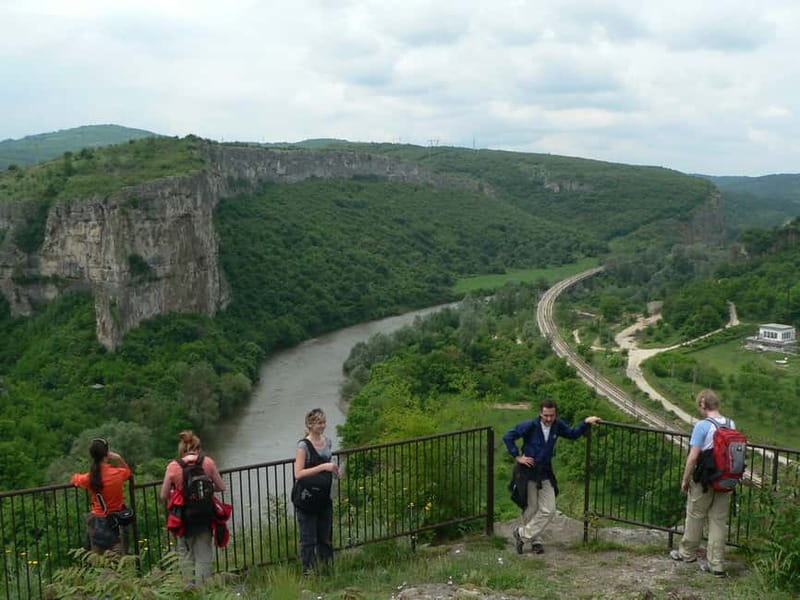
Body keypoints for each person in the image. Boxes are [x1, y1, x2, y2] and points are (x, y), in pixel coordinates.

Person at [503, 399, 601, 554]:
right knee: (532, 507)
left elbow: (572, 434)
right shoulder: (530, 426)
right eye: (546, 415)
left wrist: (585, 422)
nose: (549, 419)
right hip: (528, 472)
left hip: (545, 472)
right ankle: (535, 541)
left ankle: (522, 534)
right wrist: (517, 456)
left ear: (556, 414)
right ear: (540, 413)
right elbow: (508, 437)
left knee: (549, 509)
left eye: (552, 415)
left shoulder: (557, 425)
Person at [669, 389, 734, 577]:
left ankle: (687, 553)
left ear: (703, 405)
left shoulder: (702, 426)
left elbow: (693, 457)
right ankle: (716, 565)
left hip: (704, 480)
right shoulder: (731, 423)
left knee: (695, 515)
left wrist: (685, 479)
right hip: (725, 480)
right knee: (718, 522)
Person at [160, 430, 225, 586]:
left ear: (181, 449)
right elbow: (221, 487)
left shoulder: (173, 466)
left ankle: (188, 591)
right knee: (204, 558)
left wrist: (176, 492)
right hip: (204, 516)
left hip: (183, 519)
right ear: (198, 447)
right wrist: (205, 490)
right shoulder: (207, 462)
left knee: (185, 556)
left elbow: (163, 495)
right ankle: (204, 592)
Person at [294, 408, 339, 575]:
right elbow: (298, 473)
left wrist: (334, 471)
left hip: (324, 497)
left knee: (325, 538)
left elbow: (329, 463)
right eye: (319, 423)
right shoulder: (303, 446)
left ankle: (327, 572)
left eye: (324, 422)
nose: (322, 426)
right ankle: (309, 573)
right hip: (307, 499)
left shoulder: (327, 442)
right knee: (308, 539)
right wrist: (323, 466)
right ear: (310, 425)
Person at [71, 437, 132, 555]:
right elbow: (128, 472)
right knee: (118, 559)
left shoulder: (90, 478)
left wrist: (77, 477)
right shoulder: (116, 473)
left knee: (99, 560)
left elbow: (75, 479)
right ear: (107, 454)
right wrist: (119, 458)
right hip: (116, 520)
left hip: (97, 522)